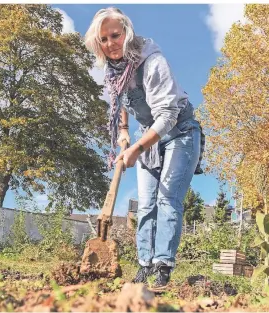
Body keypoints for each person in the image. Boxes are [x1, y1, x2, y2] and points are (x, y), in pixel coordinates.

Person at [84, 7, 204, 290]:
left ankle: (163, 266)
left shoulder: (152, 62)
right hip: (146, 138)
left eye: (115, 35)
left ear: (127, 33)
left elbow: (167, 116)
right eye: (104, 39)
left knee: (167, 198)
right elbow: (121, 100)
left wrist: (136, 147)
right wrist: (124, 132)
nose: (111, 42)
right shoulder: (114, 71)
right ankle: (144, 265)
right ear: (97, 43)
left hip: (179, 133)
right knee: (146, 203)